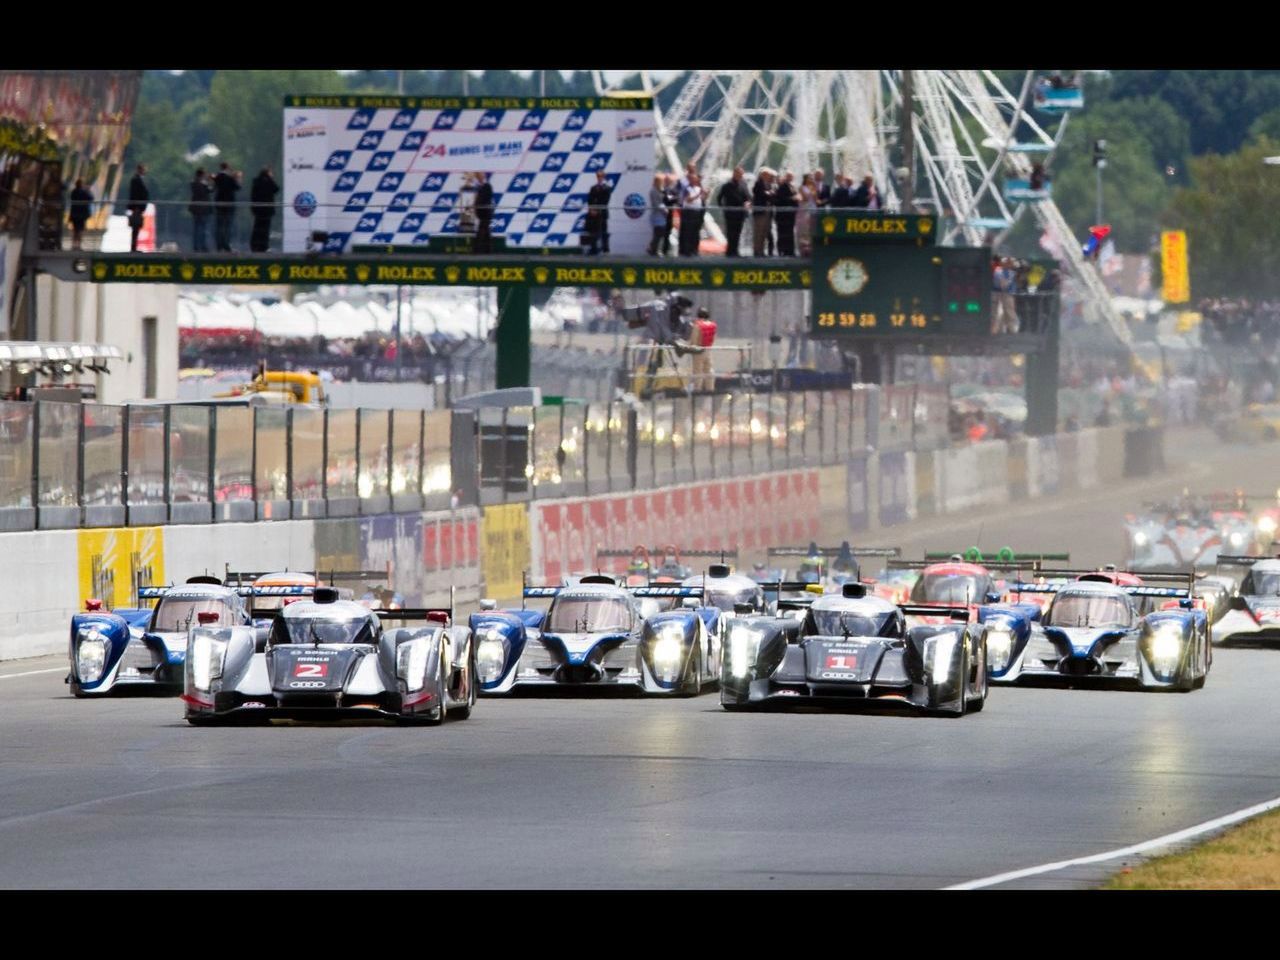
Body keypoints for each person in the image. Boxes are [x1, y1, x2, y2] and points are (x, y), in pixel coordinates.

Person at [716, 165, 750, 256]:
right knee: (731, 232)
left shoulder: (744, 184)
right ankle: (730, 251)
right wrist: (723, 208)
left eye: (742, 174)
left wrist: (747, 203)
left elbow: (748, 197)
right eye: (739, 174)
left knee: (738, 232)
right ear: (734, 174)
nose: (741, 176)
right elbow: (719, 198)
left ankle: (735, 250)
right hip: (730, 213)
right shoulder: (727, 186)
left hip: (741, 213)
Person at [249, 166, 279, 253]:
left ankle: (254, 246)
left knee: (257, 228)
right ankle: (263, 246)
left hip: (258, 210)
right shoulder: (269, 182)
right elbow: (276, 189)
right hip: (267, 210)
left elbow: (253, 195)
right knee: (265, 229)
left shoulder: (256, 181)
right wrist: (271, 178)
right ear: (267, 173)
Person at [213, 161, 241, 252]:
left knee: (219, 226)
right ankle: (226, 244)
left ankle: (219, 245)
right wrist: (238, 178)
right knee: (228, 226)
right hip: (229, 205)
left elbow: (214, 188)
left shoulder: (217, 177)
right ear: (227, 168)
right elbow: (237, 187)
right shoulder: (229, 178)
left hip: (219, 204)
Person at [585, 169, 612, 255]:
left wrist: (598, 210)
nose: (599, 178)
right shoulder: (593, 188)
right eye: (598, 176)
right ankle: (594, 248)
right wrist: (592, 209)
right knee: (593, 231)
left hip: (602, 213)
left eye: (601, 176)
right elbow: (590, 200)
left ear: (604, 177)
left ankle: (605, 249)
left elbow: (605, 201)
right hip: (593, 214)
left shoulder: (607, 188)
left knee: (604, 231)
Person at [678, 172, 705, 256]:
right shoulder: (687, 189)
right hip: (688, 212)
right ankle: (687, 251)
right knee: (688, 232)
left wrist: (705, 194)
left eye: (695, 178)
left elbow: (701, 199)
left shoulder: (697, 188)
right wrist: (698, 195)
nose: (695, 180)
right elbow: (688, 199)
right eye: (693, 178)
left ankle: (694, 250)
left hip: (697, 213)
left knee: (695, 232)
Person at [751, 167, 775, 257]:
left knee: (765, 232)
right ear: (762, 175)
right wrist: (768, 193)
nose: (768, 176)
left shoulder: (769, 185)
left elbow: (771, 196)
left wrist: (770, 193)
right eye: (767, 175)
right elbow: (760, 194)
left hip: (768, 211)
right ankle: (757, 251)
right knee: (758, 232)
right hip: (760, 212)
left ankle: (761, 250)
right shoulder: (758, 184)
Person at [773, 170, 798, 256]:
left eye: (791, 176)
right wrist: (792, 199)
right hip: (783, 216)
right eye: (788, 176)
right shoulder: (782, 187)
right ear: (786, 177)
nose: (790, 178)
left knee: (790, 234)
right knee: (782, 234)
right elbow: (781, 199)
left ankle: (790, 251)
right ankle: (781, 251)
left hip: (790, 215)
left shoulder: (793, 187)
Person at [189, 169, 213, 252]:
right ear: (202, 175)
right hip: (203, 209)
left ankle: (196, 246)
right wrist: (211, 181)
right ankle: (202, 246)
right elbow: (210, 190)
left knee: (196, 228)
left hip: (195, 209)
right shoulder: (202, 184)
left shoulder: (193, 183)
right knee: (203, 229)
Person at [127, 163, 149, 252]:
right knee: (135, 227)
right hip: (137, 207)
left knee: (137, 227)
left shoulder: (139, 179)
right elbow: (134, 193)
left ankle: (134, 246)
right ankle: (133, 247)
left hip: (139, 207)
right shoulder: (135, 180)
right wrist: (135, 206)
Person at [796, 172, 818, 256]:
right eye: (810, 178)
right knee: (804, 230)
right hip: (804, 211)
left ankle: (811, 248)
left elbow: (816, 199)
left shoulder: (813, 188)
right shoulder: (802, 187)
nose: (812, 179)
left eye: (812, 178)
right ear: (805, 179)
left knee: (811, 230)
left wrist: (814, 188)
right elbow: (805, 198)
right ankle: (803, 250)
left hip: (813, 210)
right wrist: (811, 190)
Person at [68, 178, 93, 250]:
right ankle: (78, 245)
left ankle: (74, 244)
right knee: (80, 230)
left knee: (75, 230)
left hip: (74, 214)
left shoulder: (73, 192)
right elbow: (91, 198)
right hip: (81, 215)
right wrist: (88, 190)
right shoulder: (84, 192)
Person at [646, 173, 667, 255]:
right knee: (658, 232)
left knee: (660, 233)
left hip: (661, 216)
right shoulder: (653, 191)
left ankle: (654, 248)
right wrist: (664, 210)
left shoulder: (660, 190)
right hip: (657, 215)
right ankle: (652, 249)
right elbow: (656, 204)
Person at [473, 171, 494, 253]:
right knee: (486, 231)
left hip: (486, 212)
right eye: (477, 176)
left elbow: (486, 199)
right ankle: (488, 249)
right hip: (481, 212)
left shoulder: (487, 186)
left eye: (480, 176)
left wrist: (478, 204)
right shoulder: (479, 187)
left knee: (482, 230)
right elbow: (478, 199)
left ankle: (477, 249)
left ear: (483, 176)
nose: (479, 178)